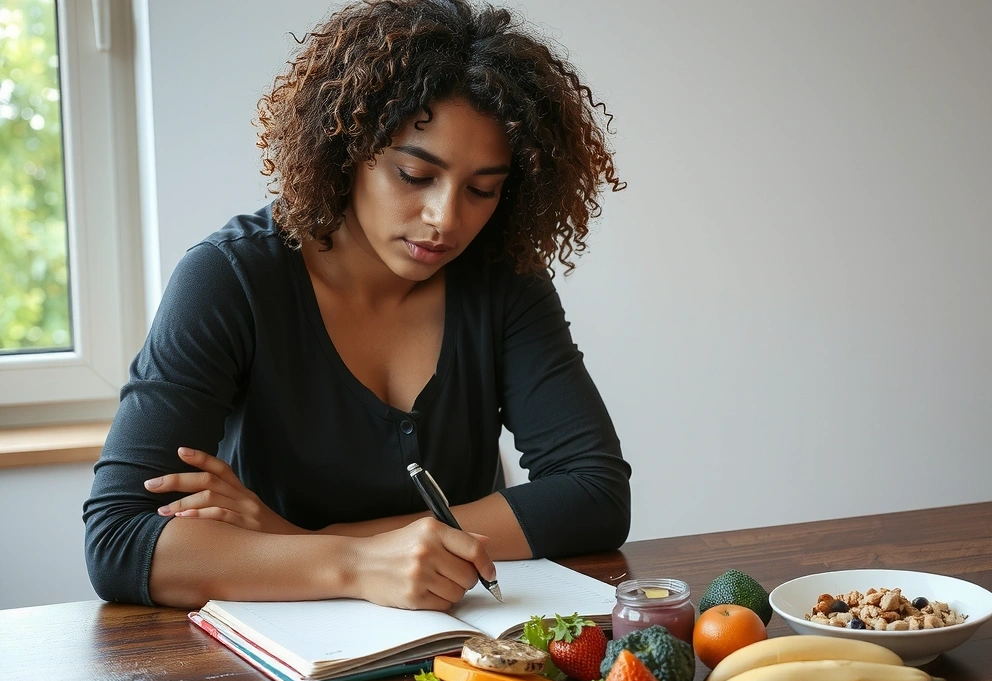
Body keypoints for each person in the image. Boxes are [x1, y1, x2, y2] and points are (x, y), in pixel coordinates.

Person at [83, 0, 630, 612]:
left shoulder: (503, 281)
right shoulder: (230, 279)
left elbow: (593, 493)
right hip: (276, 664)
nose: (444, 219)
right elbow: (118, 540)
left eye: (482, 190)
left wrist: (297, 543)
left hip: (453, 646)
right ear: (348, 150)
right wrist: (356, 564)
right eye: (414, 175)